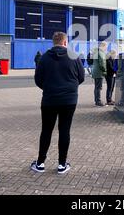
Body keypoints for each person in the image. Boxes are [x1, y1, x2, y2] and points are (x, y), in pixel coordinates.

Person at [31, 32, 85, 174]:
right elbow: (81, 77)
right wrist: (70, 88)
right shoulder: (74, 56)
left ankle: (40, 163)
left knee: (46, 131)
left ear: (53, 42)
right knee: (64, 130)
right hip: (69, 100)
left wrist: (49, 88)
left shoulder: (44, 58)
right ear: (65, 42)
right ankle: (62, 164)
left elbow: (38, 79)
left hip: (49, 99)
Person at [91, 42, 108, 107]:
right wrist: (105, 71)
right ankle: (98, 101)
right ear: (103, 46)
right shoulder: (100, 53)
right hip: (99, 72)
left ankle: (97, 100)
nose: (106, 48)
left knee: (96, 87)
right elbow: (102, 63)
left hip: (95, 71)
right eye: (106, 46)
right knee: (99, 87)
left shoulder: (96, 52)